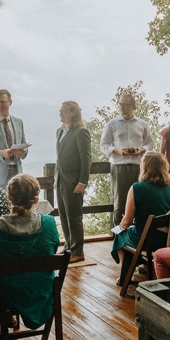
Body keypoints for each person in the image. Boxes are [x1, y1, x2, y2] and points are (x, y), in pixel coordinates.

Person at [0, 174, 62, 329]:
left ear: (8, 198)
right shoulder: (48, 224)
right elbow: (52, 249)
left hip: (5, 297)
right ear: (36, 200)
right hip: (41, 294)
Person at [111, 152, 170, 286]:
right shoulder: (169, 187)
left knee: (120, 236)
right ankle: (143, 269)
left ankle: (127, 276)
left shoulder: (137, 188)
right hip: (167, 239)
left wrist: (121, 225)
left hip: (146, 239)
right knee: (131, 235)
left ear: (144, 167)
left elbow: (127, 221)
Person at [99, 92, 154, 226]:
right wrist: (116, 151)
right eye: (120, 104)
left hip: (139, 167)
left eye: (125, 104)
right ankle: (119, 238)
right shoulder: (112, 124)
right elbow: (103, 144)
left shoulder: (142, 124)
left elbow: (150, 143)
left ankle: (137, 235)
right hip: (119, 167)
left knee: (140, 200)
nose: (121, 107)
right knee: (120, 202)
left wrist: (142, 150)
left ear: (133, 106)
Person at [55, 100, 92, 263]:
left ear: (73, 113)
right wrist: (56, 178)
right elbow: (59, 158)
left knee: (75, 216)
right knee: (63, 215)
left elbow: (86, 159)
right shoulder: (60, 131)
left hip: (74, 181)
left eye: (64, 111)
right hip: (61, 180)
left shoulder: (81, 132)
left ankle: (78, 251)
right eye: (60, 110)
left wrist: (82, 182)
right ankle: (69, 246)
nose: (61, 113)